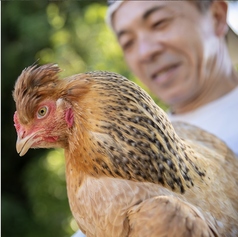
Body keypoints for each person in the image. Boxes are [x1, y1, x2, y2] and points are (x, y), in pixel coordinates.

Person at [73, 0, 238, 236]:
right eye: (128, 42)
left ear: (217, 17)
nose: (145, 52)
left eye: (160, 23)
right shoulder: (128, 158)